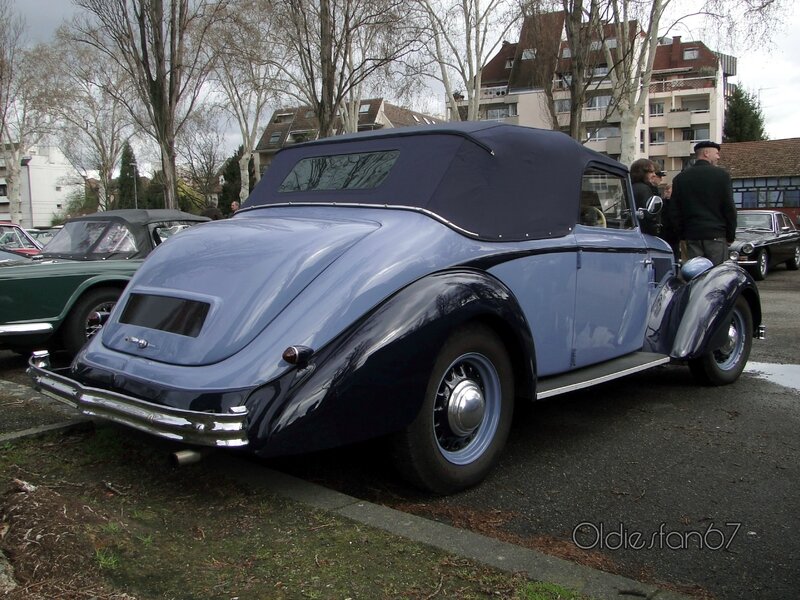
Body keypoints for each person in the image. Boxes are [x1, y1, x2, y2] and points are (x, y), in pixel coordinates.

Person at [670, 141, 736, 266]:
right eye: (716, 153)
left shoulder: (680, 178)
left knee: (694, 275)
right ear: (706, 153)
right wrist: (730, 235)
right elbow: (729, 208)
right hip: (716, 235)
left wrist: (682, 235)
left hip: (691, 236)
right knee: (716, 276)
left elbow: (674, 211)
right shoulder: (722, 176)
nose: (718, 157)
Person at [630, 158, 660, 236]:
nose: (654, 175)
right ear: (641, 173)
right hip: (644, 233)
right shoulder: (644, 189)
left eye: (654, 172)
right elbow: (649, 215)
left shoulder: (631, 187)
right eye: (650, 172)